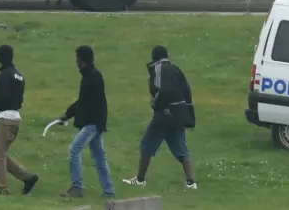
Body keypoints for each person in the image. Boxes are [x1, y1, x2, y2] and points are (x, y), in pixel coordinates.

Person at [122, 45, 197, 190]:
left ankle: (140, 179)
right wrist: (187, 113)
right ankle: (191, 182)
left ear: (154, 57)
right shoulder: (175, 69)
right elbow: (187, 91)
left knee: (146, 145)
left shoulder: (158, 68)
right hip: (179, 115)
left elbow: (164, 90)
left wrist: (156, 104)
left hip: (164, 115)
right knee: (181, 149)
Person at [0, 45, 39, 195]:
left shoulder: (4, 75)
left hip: (4, 119)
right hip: (15, 117)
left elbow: (1, 99)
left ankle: (1, 188)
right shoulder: (19, 75)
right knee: (0, 154)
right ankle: (27, 177)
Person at [58, 46, 114, 199]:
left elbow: (86, 103)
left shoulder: (93, 77)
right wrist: (67, 115)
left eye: (77, 58)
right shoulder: (91, 76)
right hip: (95, 123)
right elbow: (84, 102)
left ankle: (77, 187)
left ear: (82, 60)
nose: (76, 61)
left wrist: (68, 115)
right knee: (99, 157)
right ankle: (108, 190)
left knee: (74, 150)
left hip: (92, 124)